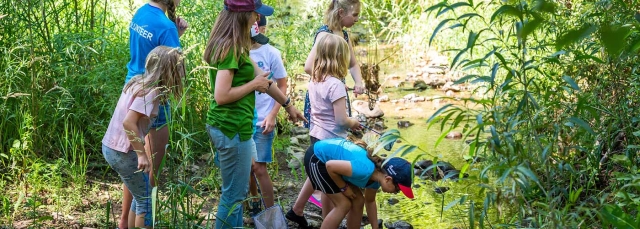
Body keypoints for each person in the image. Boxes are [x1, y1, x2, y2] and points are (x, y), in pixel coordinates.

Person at [202, 0, 305, 228]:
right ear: (243, 15)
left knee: (235, 196)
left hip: (234, 126)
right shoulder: (229, 47)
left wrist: (288, 106)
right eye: (255, 14)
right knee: (233, 196)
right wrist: (253, 85)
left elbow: (266, 82)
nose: (257, 19)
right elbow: (222, 95)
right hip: (232, 127)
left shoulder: (236, 46)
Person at [119, 0, 188, 228]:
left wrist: (174, 34)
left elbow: (152, 55)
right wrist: (174, 36)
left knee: (134, 168)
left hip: (132, 90)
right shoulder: (165, 27)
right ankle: (142, 221)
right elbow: (174, 71)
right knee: (149, 172)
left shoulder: (142, 13)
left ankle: (123, 221)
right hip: (155, 98)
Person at [103, 46, 185, 229]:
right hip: (122, 152)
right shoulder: (150, 92)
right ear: (169, 72)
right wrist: (141, 154)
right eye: (179, 70)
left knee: (140, 196)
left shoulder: (139, 82)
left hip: (112, 148)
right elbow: (129, 123)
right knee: (146, 202)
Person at [286, 33, 362, 228]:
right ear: (340, 58)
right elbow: (340, 120)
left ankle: (322, 214)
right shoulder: (336, 86)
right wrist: (353, 122)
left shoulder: (315, 80)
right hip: (332, 142)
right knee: (331, 184)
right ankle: (330, 220)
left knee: (323, 182)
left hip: (316, 136)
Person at [305, 138, 414, 229]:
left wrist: (375, 227)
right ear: (388, 179)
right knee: (343, 204)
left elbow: (370, 201)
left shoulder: (377, 179)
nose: (396, 193)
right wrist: (344, 188)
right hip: (317, 159)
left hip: (332, 166)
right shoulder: (364, 170)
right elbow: (330, 166)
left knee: (358, 200)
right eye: (397, 189)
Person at [302, 0, 365, 129]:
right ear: (341, 13)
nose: (357, 19)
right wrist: (333, 83)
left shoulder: (344, 35)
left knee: (338, 128)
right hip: (324, 92)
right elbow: (309, 67)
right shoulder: (324, 35)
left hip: (337, 90)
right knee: (324, 130)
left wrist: (358, 82)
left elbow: (352, 64)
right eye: (354, 15)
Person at [247, 20, 288, 214]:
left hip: (263, 117)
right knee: (247, 167)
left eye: (262, 28)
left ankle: (271, 212)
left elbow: (282, 85)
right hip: (243, 117)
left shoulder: (271, 53)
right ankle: (254, 201)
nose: (262, 31)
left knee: (259, 168)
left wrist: (273, 115)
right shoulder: (239, 51)